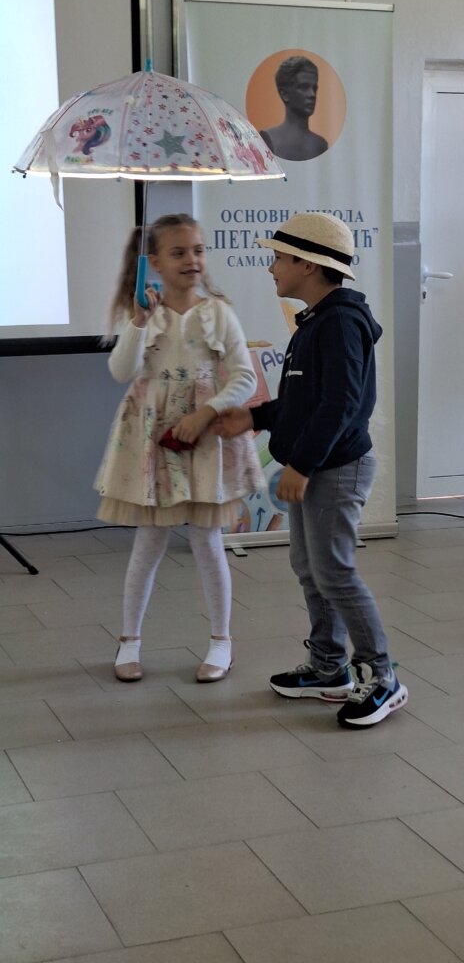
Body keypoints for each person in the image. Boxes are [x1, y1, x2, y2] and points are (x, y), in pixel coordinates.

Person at [213, 212, 408, 729]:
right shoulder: (317, 320)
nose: (271, 267)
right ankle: (328, 666)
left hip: (335, 468)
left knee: (335, 572)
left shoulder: (339, 322)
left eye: (279, 257)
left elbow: (342, 404)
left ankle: (382, 677)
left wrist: (301, 464)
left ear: (308, 264)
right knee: (310, 566)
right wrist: (254, 418)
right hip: (318, 464)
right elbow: (306, 400)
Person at [95, 214, 264, 684]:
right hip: (153, 438)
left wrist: (205, 413)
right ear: (154, 262)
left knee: (208, 540)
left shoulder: (218, 313)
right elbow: (121, 370)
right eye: (179, 252)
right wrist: (139, 323)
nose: (192, 260)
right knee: (149, 540)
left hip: (204, 436)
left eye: (198, 250)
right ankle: (129, 640)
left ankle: (221, 641)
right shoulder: (144, 315)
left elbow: (244, 376)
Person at [259, 56, 328, 161]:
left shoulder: (320, 144)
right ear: (285, 94)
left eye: (314, 88)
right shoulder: (268, 138)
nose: (312, 94)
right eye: (304, 87)